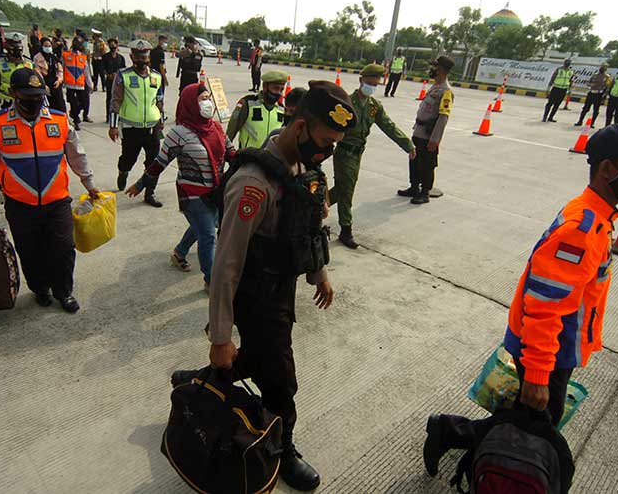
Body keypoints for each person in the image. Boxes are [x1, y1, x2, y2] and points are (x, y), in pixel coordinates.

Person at [422, 123, 618, 477]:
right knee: (533, 423)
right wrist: (537, 371)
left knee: (528, 418)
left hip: (553, 348)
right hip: (548, 350)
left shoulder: (598, 217)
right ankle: (453, 434)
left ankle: (452, 433)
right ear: (608, 169)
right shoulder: (582, 228)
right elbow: (546, 304)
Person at [171, 81, 357, 492]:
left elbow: (307, 225)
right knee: (280, 380)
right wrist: (220, 335)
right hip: (254, 295)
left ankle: (198, 378)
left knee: (257, 358)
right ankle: (282, 448)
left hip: (281, 287)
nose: (327, 152)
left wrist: (318, 272)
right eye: (325, 141)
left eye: (335, 145)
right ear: (300, 127)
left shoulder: (301, 165)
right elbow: (225, 264)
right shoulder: (253, 183)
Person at [0, 68, 101, 313]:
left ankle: (64, 291)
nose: (33, 102)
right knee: (30, 251)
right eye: (27, 97)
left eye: (37, 96)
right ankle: (40, 289)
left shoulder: (59, 120)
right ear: (13, 94)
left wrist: (90, 184)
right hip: (19, 204)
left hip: (57, 201)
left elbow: (77, 156)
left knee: (64, 248)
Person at [126, 83, 234, 288]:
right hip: (192, 195)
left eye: (208, 97)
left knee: (204, 227)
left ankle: (179, 253)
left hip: (216, 192)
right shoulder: (178, 133)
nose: (207, 102)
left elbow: (231, 153)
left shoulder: (217, 128)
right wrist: (140, 185)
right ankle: (211, 282)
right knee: (209, 236)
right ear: (190, 103)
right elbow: (159, 163)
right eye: (202, 98)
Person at [329, 63, 415, 248]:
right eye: (369, 83)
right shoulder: (347, 102)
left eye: (375, 84)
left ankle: (314, 205)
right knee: (346, 191)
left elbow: (388, 126)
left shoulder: (374, 107)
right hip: (344, 152)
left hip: (358, 154)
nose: (372, 87)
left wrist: (407, 144)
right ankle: (346, 230)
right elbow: (333, 127)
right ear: (361, 81)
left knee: (342, 189)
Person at [108, 40, 164, 207]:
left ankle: (150, 193)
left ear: (148, 57)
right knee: (128, 159)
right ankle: (123, 172)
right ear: (132, 56)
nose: (141, 60)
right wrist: (113, 126)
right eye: (138, 56)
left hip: (152, 128)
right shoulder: (123, 75)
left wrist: (160, 121)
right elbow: (115, 101)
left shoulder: (156, 76)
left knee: (154, 163)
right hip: (131, 129)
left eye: (144, 56)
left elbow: (159, 100)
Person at [398, 56, 454, 205]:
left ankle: (424, 192)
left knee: (427, 164)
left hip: (428, 136)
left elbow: (443, 117)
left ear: (441, 70)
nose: (432, 70)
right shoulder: (435, 87)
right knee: (414, 160)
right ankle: (414, 187)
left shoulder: (446, 91)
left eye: (435, 67)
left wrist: (435, 140)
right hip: (419, 131)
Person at [226, 70, 287, 149]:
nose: (279, 93)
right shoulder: (247, 104)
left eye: (281, 90)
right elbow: (231, 131)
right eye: (276, 88)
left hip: (270, 159)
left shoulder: (281, 109)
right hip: (248, 158)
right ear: (265, 86)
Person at [0, 32, 33, 114]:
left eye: (19, 51)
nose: (17, 55)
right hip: (7, 102)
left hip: (26, 100)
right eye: (13, 51)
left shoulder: (29, 63)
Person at [62, 36, 93, 130]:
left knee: (84, 103)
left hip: (80, 84)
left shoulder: (83, 57)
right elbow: (62, 68)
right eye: (76, 43)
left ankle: (73, 113)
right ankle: (76, 120)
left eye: (79, 43)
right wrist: (61, 80)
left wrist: (90, 84)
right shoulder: (66, 55)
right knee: (73, 103)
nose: (78, 45)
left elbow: (86, 71)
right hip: (69, 84)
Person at [33, 37, 66, 112]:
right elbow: (37, 72)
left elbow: (60, 70)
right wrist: (43, 85)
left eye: (49, 46)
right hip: (44, 83)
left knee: (60, 104)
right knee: (47, 106)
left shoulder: (54, 57)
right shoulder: (37, 58)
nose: (47, 48)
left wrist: (59, 80)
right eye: (45, 46)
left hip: (55, 83)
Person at [543, 58, 573, 123]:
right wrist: (548, 89)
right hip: (556, 88)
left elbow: (570, 81)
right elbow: (552, 78)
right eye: (566, 62)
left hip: (563, 90)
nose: (567, 64)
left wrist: (570, 90)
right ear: (564, 63)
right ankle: (545, 116)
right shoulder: (559, 70)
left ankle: (551, 117)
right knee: (550, 103)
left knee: (557, 105)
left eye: (568, 63)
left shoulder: (570, 71)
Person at [102, 38, 125, 120]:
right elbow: (103, 68)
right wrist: (108, 75)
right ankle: (109, 116)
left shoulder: (121, 58)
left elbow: (123, 69)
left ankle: (118, 115)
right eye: (111, 45)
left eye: (114, 45)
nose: (113, 47)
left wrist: (118, 75)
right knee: (109, 99)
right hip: (109, 81)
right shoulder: (105, 57)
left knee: (119, 99)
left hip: (118, 82)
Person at [148, 34, 170, 120]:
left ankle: (152, 112)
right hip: (158, 77)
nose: (166, 44)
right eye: (165, 42)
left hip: (152, 76)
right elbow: (161, 67)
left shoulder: (153, 51)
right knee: (160, 96)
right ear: (160, 41)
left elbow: (149, 63)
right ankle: (160, 115)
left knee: (153, 94)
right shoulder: (160, 53)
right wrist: (165, 79)